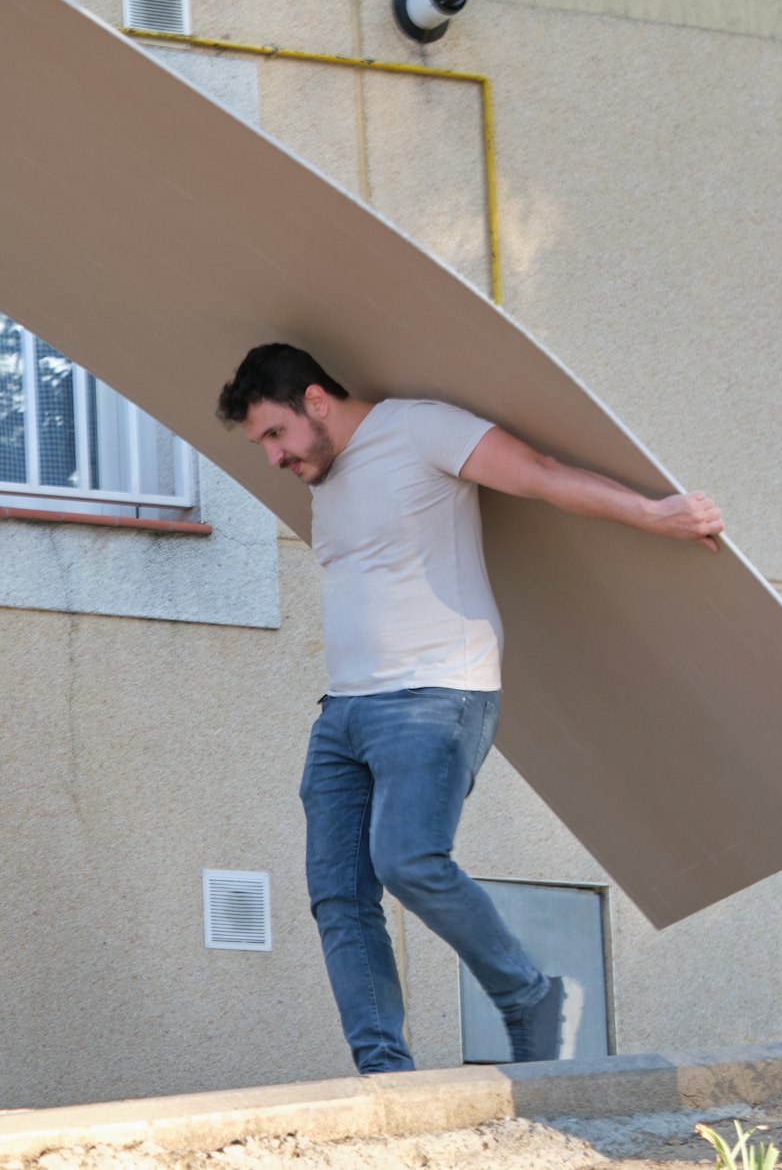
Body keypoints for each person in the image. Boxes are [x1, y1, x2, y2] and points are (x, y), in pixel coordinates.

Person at [215, 343, 723, 1074]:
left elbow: (542, 476)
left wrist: (655, 512)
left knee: (408, 858)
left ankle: (528, 996)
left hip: (436, 693)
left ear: (316, 400)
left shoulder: (420, 429)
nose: (272, 456)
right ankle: (384, 1071)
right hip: (345, 710)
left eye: (274, 434)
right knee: (338, 892)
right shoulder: (325, 478)